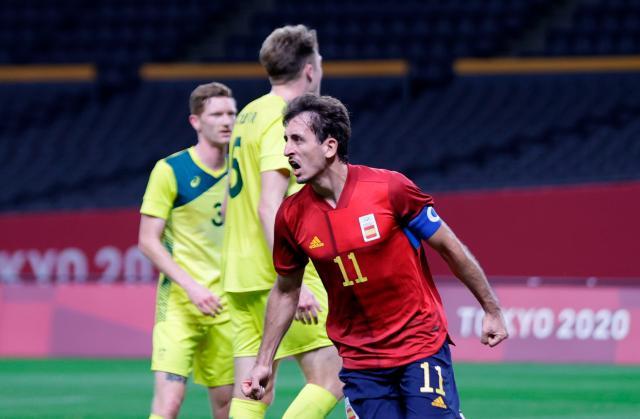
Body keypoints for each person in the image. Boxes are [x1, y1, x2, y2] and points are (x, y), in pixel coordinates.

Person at [243, 94, 509, 418]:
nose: (287, 150)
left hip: (419, 345)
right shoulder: (291, 216)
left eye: (297, 139)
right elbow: (286, 290)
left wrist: (491, 309)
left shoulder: (389, 188)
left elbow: (449, 247)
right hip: (360, 362)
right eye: (285, 140)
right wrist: (263, 362)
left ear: (330, 146)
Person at [222, 25, 343, 418]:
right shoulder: (284, 118)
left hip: (241, 271)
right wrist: (293, 282)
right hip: (277, 270)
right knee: (333, 377)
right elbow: (268, 203)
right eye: (319, 60)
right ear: (309, 69)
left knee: (254, 387)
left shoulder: (249, 113)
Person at [138, 82, 237, 419]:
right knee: (169, 404)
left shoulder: (243, 172)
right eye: (217, 114)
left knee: (226, 406)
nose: (227, 121)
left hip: (228, 306)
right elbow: (148, 240)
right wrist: (192, 287)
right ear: (196, 121)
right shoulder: (171, 170)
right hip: (180, 305)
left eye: (231, 113)